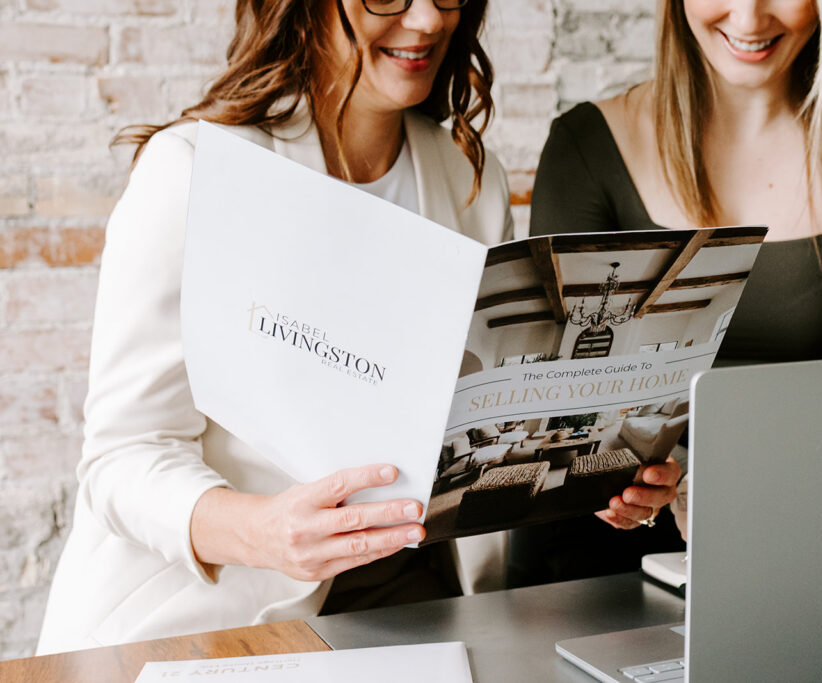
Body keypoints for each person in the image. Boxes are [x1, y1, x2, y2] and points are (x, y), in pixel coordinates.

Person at [36, 0, 515, 654]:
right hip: (217, 620)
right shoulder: (190, 170)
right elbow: (121, 457)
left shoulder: (471, 183)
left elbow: (483, 423)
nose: (429, 19)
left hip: (423, 602)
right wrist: (263, 530)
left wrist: (592, 465)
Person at [510, 0, 822, 587]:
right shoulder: (587, 146)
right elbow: (551, 414)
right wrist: (617, 477)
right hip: (595, 568)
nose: (748, 19)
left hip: (802, 545)